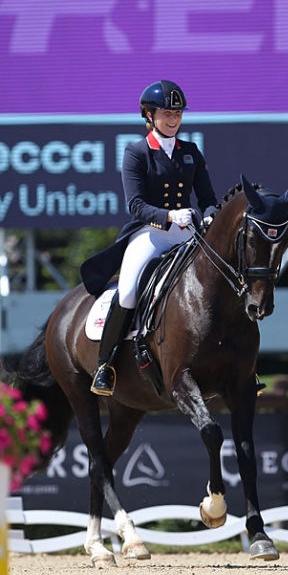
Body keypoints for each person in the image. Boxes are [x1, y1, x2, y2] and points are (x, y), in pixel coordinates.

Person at [80, 80, 218, 396]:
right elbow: (136, 205)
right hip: (151, 235)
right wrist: (169, 216)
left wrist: (209, 213)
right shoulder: (136, 153)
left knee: (221, 279)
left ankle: (243, 366)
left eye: (178, 113)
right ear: (149, 115)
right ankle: (106, 364)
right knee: (127, 292)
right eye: (167, 113)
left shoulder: (191, 153)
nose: (174, 119)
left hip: (188, 234)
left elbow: (207, 196)